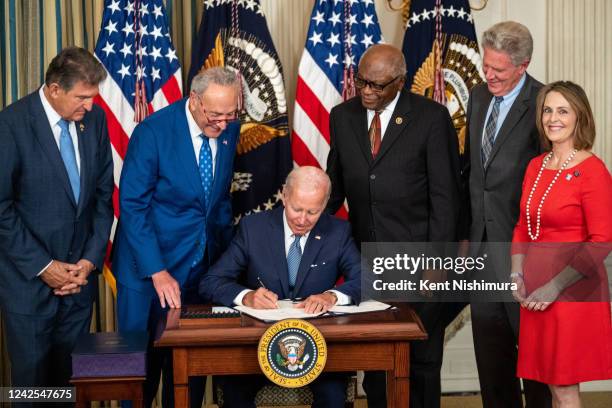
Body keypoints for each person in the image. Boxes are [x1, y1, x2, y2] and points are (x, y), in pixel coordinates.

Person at [326, 44, 462, 408]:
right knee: (376, 364)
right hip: (366, 262)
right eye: (362, 82)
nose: (367, 91)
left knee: (419, 361)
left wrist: (438, 262)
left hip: (419, 264)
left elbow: (446, 198)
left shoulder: (431, 118)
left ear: (400, 82)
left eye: (378, 85)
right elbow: (334, 187)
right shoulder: (342, 116)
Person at [112, 67, 241, 408]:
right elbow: (132, 206)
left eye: (231, 114)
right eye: (216, 115)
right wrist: (157, 270)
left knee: (189, 370)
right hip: (147, 270)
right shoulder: (153, 132)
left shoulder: (229, 129)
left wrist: (225, 262)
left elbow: (219, 199)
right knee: (138, 370)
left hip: (200, 269)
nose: (223, 124)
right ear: (195, 101)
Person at [0, 47, 114, 390]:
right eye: (82, 97)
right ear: (54, 90)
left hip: (79, 286)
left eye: (93, 97)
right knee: (33, 389)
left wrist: (90, 261)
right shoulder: (11, 124)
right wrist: (44, 266)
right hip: (28, 286)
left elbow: (103, 198)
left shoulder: (94, 122)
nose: (90, 106)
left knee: (70, 387)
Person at [200, 166, 361, 408]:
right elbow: (211, 282)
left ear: (324, 205)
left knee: (333, 398)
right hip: (256, 346)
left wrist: (332, 296)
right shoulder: (253, 228)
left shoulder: (337, 231)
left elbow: (366, 279)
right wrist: (246, 296)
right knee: (235, 394)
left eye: (313, 212)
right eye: (297, 208)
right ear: (284, 195)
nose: (302, 219)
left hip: (317, 346)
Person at [463, 21, 552, 407]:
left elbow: (553, 178)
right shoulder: (478, 97)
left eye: (498, 69)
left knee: (533, 358)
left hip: (525, 249)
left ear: (523, 64)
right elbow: (474, 173)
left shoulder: (544, 103)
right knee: (491, 351)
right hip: (482, 250)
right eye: (486, 65)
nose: (489, 75)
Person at [511, 81, 612, 408]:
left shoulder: (593, 171)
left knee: (565, 387)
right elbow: (522, 227)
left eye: (563, 110)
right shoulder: (535, 166)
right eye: (548, 110)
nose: (553, 118)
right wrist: (516, 274)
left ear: (579, 116)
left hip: (571, 290)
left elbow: (602, 241)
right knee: (552, 385)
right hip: (535, 290)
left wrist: (554, 287)